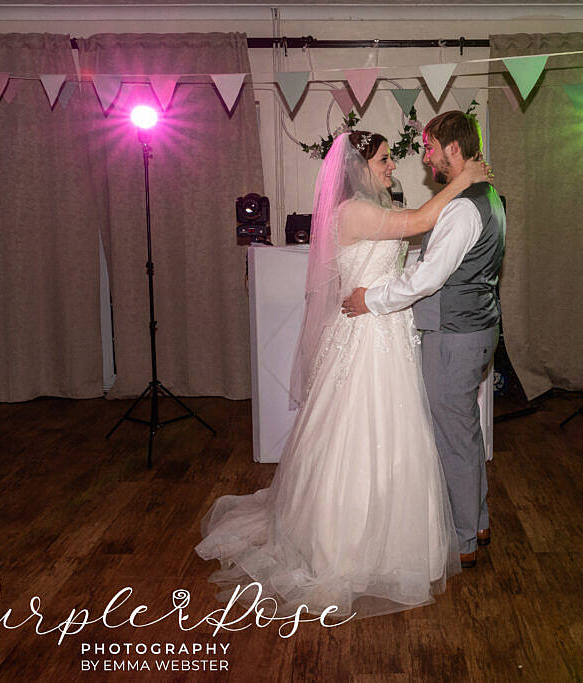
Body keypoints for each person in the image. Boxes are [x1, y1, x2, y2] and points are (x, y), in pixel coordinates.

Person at [195, 130, 490, 619]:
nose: (392, 166)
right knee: (359, 431)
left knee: (396, 434)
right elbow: (418, 221)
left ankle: (397, 531)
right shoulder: (353, 211)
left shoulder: (369, 208)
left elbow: (407, 239)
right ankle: (347, 544)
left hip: (386, 329)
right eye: (383, 160)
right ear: (358, 167)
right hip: (366, 335)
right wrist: (466, 181)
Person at [343, 111, 505, 570]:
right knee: (465, 431)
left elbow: (428, 278)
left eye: (430, 148)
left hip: (454, 335)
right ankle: (477, 520)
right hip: (476, 329)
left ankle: (462, 542)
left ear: (454, 149)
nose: (425, 157)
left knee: (452, 437)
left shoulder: (460, 207)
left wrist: (372, 298)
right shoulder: (486, 195)